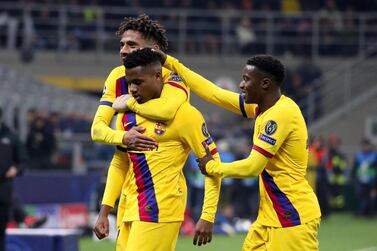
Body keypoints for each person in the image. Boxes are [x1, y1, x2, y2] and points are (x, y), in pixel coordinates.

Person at [158, 52, 321, 250]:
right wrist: (170, 62)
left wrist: (213, 167)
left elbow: (253, 167)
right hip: (270, 216)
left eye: (246, 79)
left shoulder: (280, 114)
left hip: (292, 216)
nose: (241, 85)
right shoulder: (263, 107)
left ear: (265, 84)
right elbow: (214, 93)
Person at [95, 48, 221, 250]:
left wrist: (207, 215)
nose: (133, 89)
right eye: (129, 83)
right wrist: (105, 210)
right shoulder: (126, 116)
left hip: (161, 209)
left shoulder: (184, 114)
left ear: (157, 76)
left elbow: (214, 166)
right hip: (129, 209)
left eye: (138, 82)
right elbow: (120, 162)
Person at [91, 14, 192, 244]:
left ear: (155, 50)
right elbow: (100, 134)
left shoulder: (173, 79)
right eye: (122, 44)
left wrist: (128, 103)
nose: (124, 50)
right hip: (130, 201)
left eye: (132, 44)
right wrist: (105, 210)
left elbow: (166, 112)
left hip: (162, 200)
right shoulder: (117, 78)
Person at [0, 107, 27, 251]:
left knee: (1, 232)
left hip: (3, 191)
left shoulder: (11, 137)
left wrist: (16, 169)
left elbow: (23, 161)